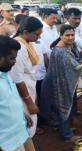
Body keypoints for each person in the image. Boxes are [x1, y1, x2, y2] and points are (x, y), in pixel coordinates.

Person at [40, 25, 82, 141]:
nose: (70, 37)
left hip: (65, 83)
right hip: (59, 84)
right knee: (64, 106)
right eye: (67, 35)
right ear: (61, 36)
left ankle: (65, 128)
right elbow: (75, 66)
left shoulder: (70, 46)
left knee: (66, 106)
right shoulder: (60, 52)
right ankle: (67, 135)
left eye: (72, 35)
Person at [9, 17, 43, 146]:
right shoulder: (19, 48)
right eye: (37, 34)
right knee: (27, 123)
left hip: (29, 90)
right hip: (23, 94)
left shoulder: (26, 43)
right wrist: (30, 102)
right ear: (26, 32)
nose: (38, 38)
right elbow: (18, 79)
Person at [0, 36, 34, 151]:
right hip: (8, 143)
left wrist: (22, 114)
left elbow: (8, 102)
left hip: (22, 132)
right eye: (12, 58)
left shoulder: (5, 74)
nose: (15, 62)